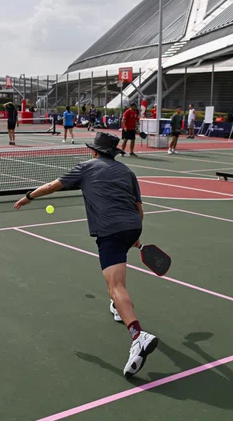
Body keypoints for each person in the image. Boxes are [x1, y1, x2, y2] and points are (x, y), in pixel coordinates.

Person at [13, 132, 157, 377]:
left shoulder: (86, 167)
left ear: (94, 151)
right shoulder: (127, 172)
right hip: (133, 226)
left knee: (116, 286)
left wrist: (28, 197)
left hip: (110, 230)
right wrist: (134, 234)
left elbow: (52, 186)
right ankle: (117, 307)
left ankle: (138, 336)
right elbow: (139, 210)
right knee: (116, 279)